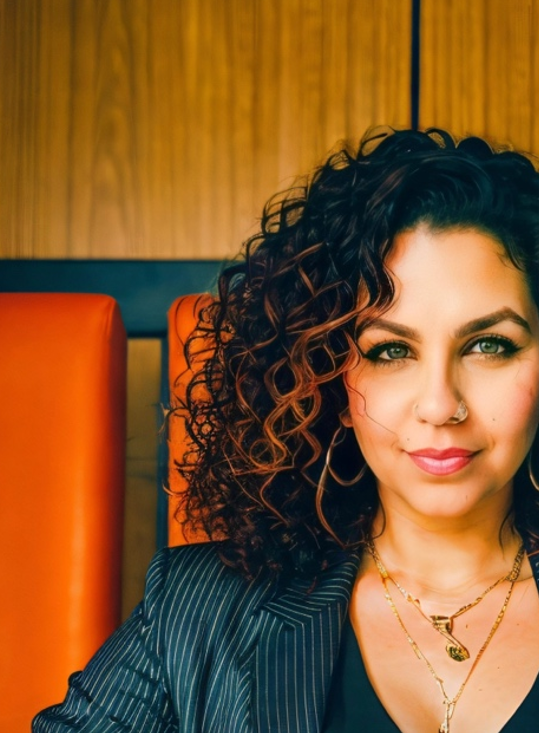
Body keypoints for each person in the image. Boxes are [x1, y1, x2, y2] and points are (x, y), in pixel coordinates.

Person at [33, 126, 539, 733]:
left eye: (489, 345)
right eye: (389, 351)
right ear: (324, 374)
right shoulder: (197, 610)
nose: (439, 404)